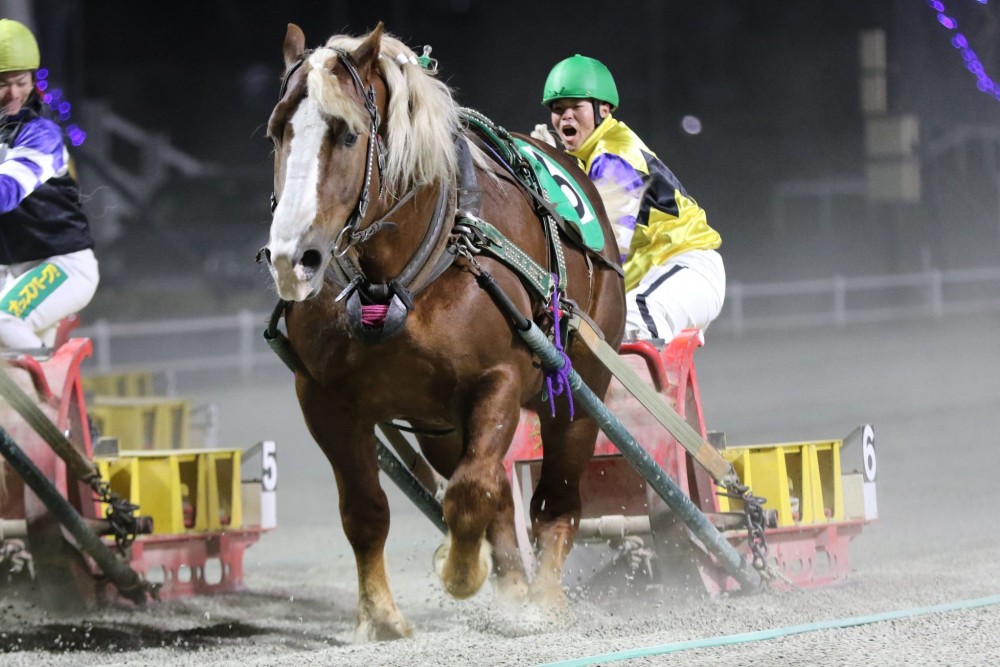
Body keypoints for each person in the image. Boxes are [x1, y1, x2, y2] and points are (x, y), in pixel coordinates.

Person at [534, 54, 724, 343]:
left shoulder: (614, 155)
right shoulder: (587, 157)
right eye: (558, 109)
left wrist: (551, 173)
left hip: (685, 268)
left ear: (604, 109)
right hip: (656, 275)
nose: (566, 116)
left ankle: (653, 390)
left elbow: (605, 249)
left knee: (633, 323)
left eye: (576, 106)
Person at [0, 18, 98, 351]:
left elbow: (5, 194)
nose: (13, 93)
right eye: (2, 83)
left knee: (2, 322)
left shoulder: (40, 132)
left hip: (61, 265)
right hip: (14, 270)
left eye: (21, 81)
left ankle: (44, 397)